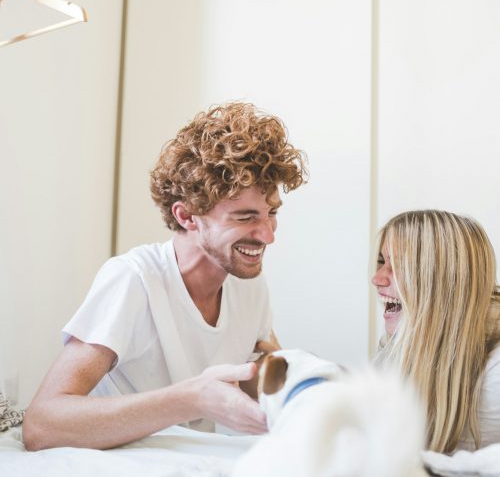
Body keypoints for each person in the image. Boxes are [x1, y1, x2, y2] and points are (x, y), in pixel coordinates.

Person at [22, 102, 307, 450]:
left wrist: (308, 388)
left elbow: (263, 371)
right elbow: (40, 424)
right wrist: (191, 399)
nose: (268, 235)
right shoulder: (134, 281)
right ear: (187, 216)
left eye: (271, 213)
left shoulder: (248, 284)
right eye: (245, 217)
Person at [372, 210, 500, 453]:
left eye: (399, 265)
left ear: (445, 280)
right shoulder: (397, 344)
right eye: (382, 262)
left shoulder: (495, 374)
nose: (377, 278)